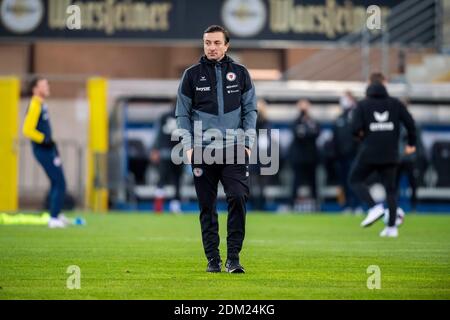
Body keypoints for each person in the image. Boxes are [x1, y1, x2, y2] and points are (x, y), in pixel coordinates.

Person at [175, 25, 257, 273]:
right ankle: (213, 259)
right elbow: (182, 114)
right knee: (207, 206)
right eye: (207, 43)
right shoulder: (191, 75)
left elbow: (250, 111)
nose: (211, 47)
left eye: (216, 43)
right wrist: (188, 147)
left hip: (234, 148)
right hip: (202, 150)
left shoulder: (241, 73)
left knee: (238, 197)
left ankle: (233, 258)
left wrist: (247, 143)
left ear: (226, 45)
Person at [349, 72, 416, 237]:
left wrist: (362, 137)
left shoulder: (363, 105)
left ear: (369, 83)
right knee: (391, 190)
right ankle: (392, 228)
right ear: (385, 83)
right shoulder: (395, 104)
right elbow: (410, 123)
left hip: (370, 152)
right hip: (390, 154)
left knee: (355, 179)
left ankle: (374, 207)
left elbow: (353, 129)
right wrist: (411, 144)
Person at [22, 77, 68, 228]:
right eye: (44, 84)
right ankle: (53, 218)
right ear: (35, 89)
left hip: (48, 149)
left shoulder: (41, 104)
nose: (47, 85)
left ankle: (56, 213)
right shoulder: (35, 104)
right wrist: (44, 140)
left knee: (58, 182)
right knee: (59, 182)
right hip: (42, 150)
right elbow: (27, 129)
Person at [150, 105, 184, 213]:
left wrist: (155, 148)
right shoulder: (185, 116)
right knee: (177, 180)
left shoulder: (164, 116)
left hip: (166, 152)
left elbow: (158, 134)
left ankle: (158, 207)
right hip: (178, 153)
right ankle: (175, 206)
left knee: (162, 179)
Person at [332, 91, 362, 213]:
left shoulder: (357, 116)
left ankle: (357, 205)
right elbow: (335, 138)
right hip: (341, 157)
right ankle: (347, 205)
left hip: (355, 156)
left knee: (355, 181)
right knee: (344, 182)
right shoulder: (339, 118)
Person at [289, 99, 320, 211]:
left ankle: (316, 205)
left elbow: (316, 133)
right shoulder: (296, 121)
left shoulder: (312, 121)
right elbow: (297, 134)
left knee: (313, 183)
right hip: (298, 158)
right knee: (296, 183)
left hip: (311, 158)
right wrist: (307, 132)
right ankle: (292, 205)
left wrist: (305, 131)